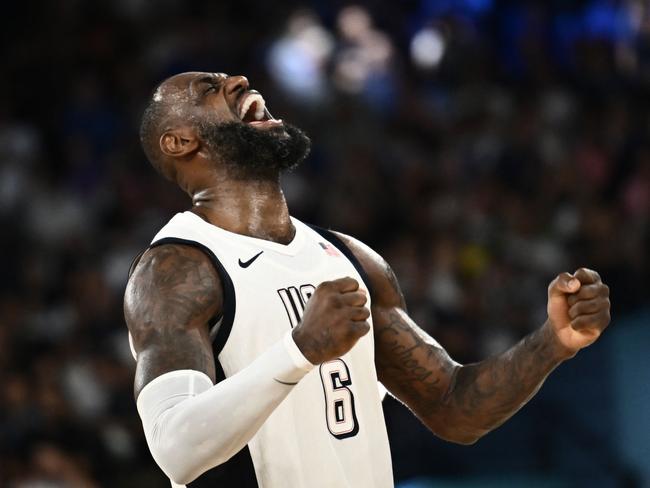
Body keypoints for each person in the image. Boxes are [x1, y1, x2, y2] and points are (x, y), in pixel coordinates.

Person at [124, 72, 611, 488]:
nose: (239, 81)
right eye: (211, 88)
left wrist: (555, 342)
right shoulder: (176, 269)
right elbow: (176, 450)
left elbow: (454, 406)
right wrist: (300, 350)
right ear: (181, 141)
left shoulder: (348, 257)